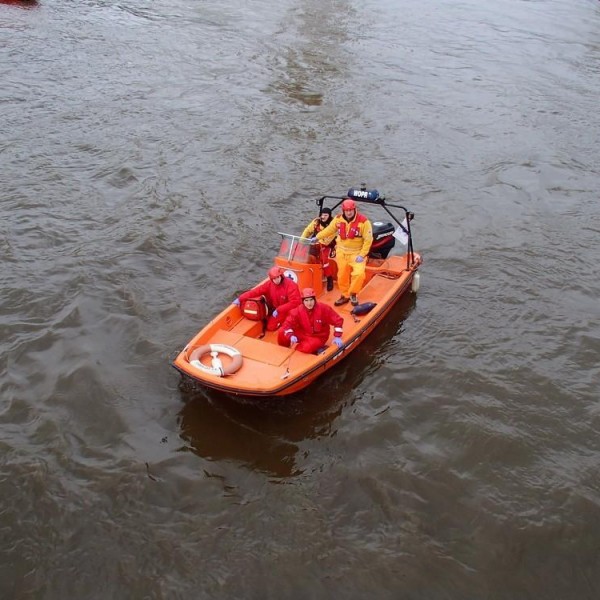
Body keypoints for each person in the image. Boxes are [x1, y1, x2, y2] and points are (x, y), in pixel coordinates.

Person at [312, 198, 373, 306]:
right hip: (342, 252)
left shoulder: (364, 222)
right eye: (347, 210)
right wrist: (317, 237)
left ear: (354, 209)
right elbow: (329, 230)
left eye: (351, 210)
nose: (349, 212)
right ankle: (345, 295)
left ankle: (353, 293)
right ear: (343, 210)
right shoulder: (338, 219)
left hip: (357, 253)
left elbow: (368, 240)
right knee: (342, 276)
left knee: (359, 274)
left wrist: (362, 254)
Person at [278, 287, 344, 354]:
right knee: (281, 331)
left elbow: (338, 320)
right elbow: (287, 324)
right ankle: (283, 350)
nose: (309, 303)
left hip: (318, 337)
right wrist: (290, 335)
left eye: (311, 300)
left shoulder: (324, 309)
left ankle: (300, 351)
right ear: (303, 301)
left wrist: (337, 336)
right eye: (306, 300)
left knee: (307, 348)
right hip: (303, 333)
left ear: (314, 300)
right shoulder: (298, 310)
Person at [233, 266, 301, 331]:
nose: (276, 280)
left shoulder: (291, 286)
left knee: (270, 327)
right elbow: (256, 291)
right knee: (267, 322)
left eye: (278, 277)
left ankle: (287, 322)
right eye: (274, 278)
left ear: (281, 276)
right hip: (275, 308)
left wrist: (279, 310)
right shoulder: (269, 284)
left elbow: (295, 302)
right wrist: (240, 298)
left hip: (286, 310)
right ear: (271, 279)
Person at [301, 207, 336, 291]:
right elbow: (307, 230)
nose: (323, 217)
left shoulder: (333, 225)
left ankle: (329, 279)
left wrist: (316, 242)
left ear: (329, 216)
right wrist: (302, 240)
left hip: (326, 245)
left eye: (325, 215)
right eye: (322, 215)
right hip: (314, 243)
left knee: (324, 261)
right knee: (304, 256)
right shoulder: (316, 222)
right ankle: (310, 275)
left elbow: (327, 240)